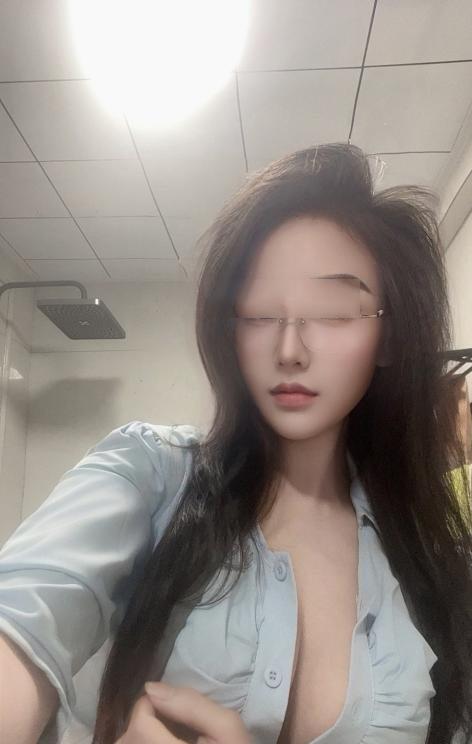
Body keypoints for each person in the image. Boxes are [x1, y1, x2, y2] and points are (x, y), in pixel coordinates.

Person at [0, 143, 471, 744]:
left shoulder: (425, 555)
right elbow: (25, 616)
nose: (289, 349)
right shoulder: (152, 474)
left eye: (333, 310)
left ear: (389, 337)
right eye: (258, 312)